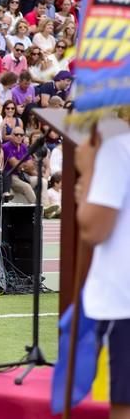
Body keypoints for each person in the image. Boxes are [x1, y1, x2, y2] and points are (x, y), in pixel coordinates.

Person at [77, 131, 130, 419]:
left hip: (121, 299)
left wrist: (87, 176)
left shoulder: (118, 149)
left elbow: (94, 229)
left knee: (123, 405)